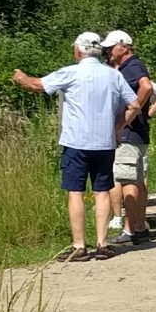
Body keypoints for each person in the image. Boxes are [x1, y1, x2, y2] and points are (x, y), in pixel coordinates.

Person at [12, 32, 137, 261]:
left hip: (76, 141)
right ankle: (102, 243)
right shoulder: (113, 75)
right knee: (102, 191)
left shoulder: (70, 72)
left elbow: (37, 85)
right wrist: (118, 127)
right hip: (104, 142)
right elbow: (135, 104)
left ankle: (79, 245)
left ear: (78, 51)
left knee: (75, 191)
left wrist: (21, 78)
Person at [102, 29, 156, 244]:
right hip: (137, 133)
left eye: (111, 47)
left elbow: (146, 87)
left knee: (127, 181)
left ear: (123, 47)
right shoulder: (129, 66)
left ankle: (129, 229)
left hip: (129, 133)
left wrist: (129, 114)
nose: (108, 51)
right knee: (137, 180)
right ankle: (139, 226)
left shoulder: (133, 65)